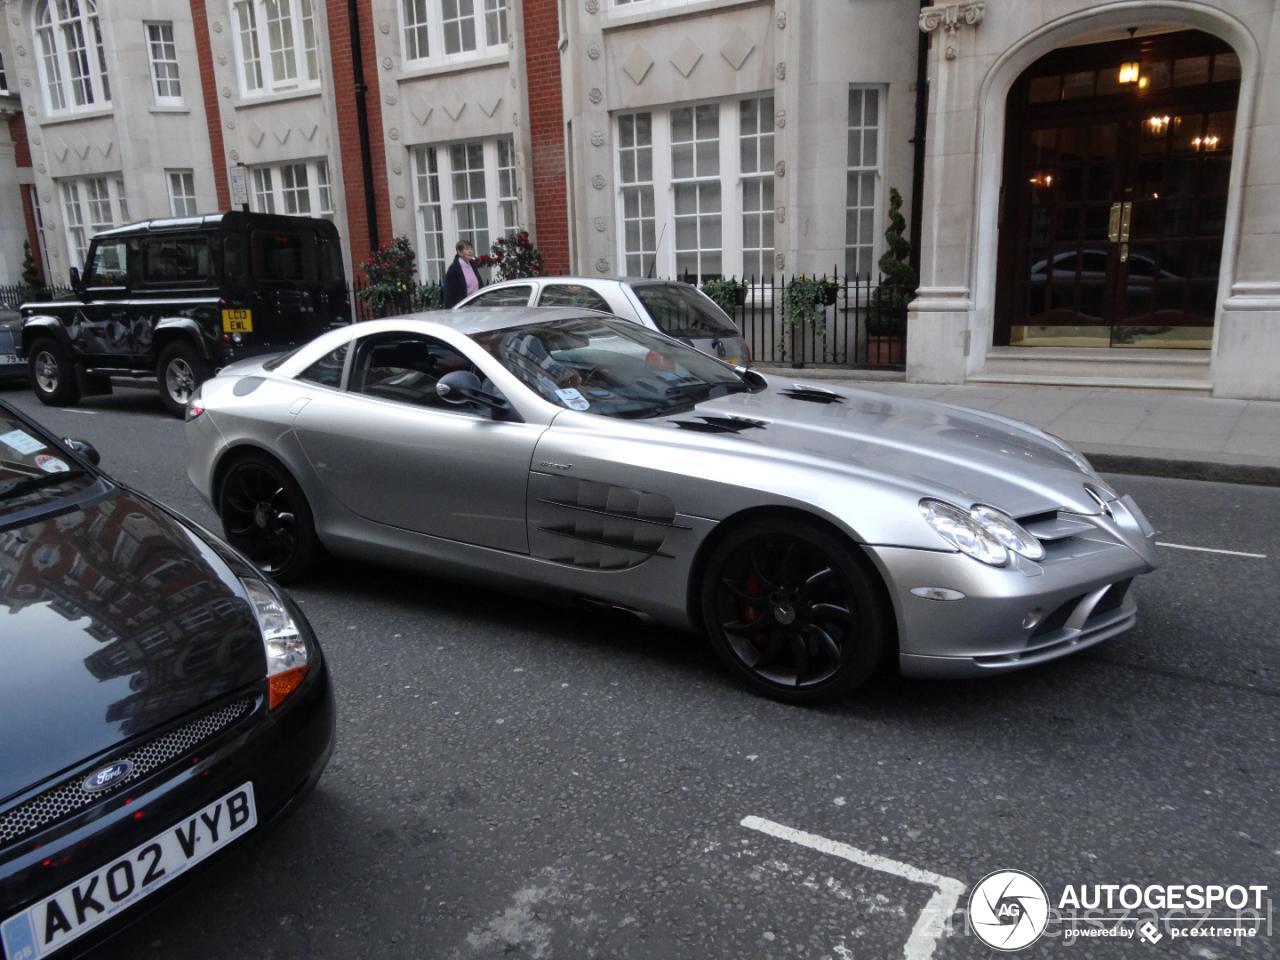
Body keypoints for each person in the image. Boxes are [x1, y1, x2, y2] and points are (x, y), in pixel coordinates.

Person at [443, 239, 485, 307]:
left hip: (477, 305)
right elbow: (449, 294)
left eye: (471, 248)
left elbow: (479, 284)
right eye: (467, 249)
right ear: (459, 252)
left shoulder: (472, 265)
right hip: (463, 309)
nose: (470, 251)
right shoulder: (453, 269)